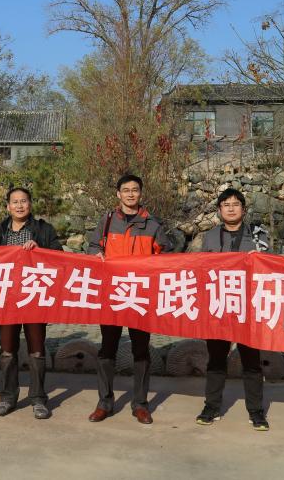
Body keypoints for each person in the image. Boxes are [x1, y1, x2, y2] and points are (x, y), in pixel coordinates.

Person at [86, 174, 174, 425]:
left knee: (141, 351)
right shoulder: (107, 221)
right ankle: (104, 402)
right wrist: (96, 254)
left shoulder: (153, 225)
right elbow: (93, 246)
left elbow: (167, 256)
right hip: (112, 294)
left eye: (135, 190)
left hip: (141, 296)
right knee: (107, 349)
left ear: (141, 194)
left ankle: (140, 404)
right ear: (118, 194)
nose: (131, 194)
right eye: (126, 190)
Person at [196, 188, 270, 431]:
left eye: (235, 204)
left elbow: (270, 268)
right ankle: (211, 407)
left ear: (243, 209)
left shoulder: (258, 235)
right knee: (216, 359)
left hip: (249, 307)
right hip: (218, 306)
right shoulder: (209, 237)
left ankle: (256, 411)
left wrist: (259, 258)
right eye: (225, 204)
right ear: (219, 210)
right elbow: (200, 269)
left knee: (251, 361)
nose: (230, 208)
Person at [0, 187, 62, 420]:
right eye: (15, 202)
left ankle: (38, 399)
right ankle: (8, 397)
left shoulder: (43, 230)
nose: (19, 206)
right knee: (7, 351)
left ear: (30, 204)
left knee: (37, 351)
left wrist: (40, 250)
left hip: (34, 296)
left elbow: (60, 256)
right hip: (8, 298)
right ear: (8, 206)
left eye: (23, 201)